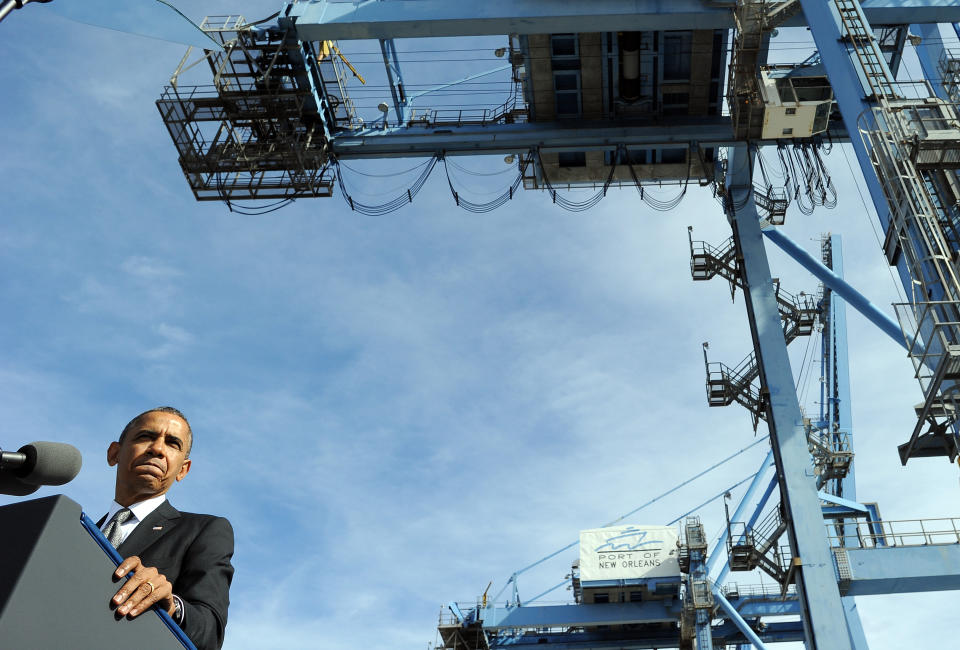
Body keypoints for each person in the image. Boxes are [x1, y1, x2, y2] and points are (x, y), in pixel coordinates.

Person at [97, 406, 234, 650]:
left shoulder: (205, 530)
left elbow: (210, 633)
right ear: (114, 453)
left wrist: (172, 605)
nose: (158, 449)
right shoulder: (76, 532)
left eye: (172, 444)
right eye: (145, 436)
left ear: (183, 470)